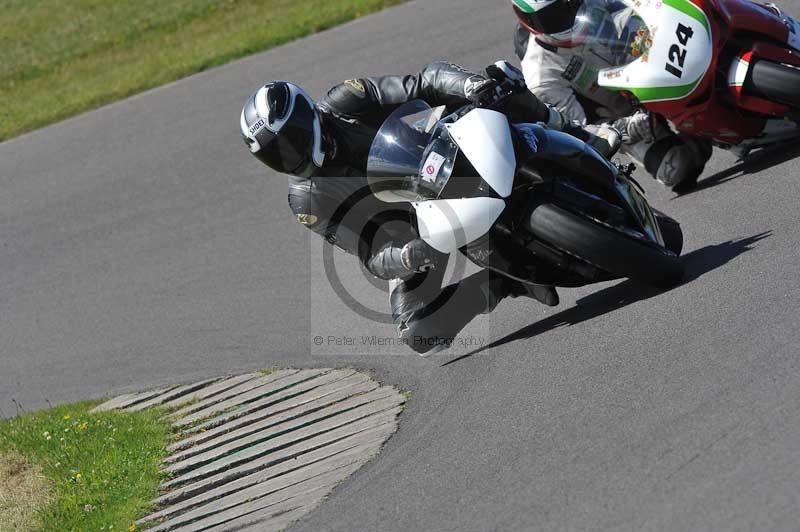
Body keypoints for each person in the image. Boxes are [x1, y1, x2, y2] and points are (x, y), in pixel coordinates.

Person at [239, 61, 618, 355]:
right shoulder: (307, 199)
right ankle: (506, 282)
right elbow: (370, 251)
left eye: (290, 141)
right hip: (416, 222)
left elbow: (422, 83)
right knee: (419, 332)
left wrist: (469, 86)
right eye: (276, 155)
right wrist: (404, 256)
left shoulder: (346, 101)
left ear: (307, 115)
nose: (288, 156)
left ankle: (581, 135)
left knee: (500, 81)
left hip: (440, 144)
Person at [511, 0, 713, 192]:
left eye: (569, 3)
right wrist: (624, 129)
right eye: (552, 17)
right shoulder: (540, 76)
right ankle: (701, 134)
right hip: (623, 114)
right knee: (677, 168)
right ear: (530, 25)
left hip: (650, 56)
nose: (568, 16)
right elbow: (577, 128)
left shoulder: (592, 4)